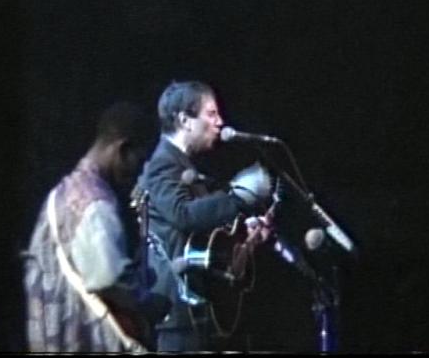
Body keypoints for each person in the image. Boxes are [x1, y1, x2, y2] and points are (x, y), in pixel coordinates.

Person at [137, 81, 273, 352]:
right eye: (211, 114)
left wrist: (246, 234)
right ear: (185, 120)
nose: (220, 122)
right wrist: (239, 196)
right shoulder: (162, 164)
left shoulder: (185, 167)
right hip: (178, 314)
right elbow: (183, 215)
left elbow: (203, 238)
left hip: (199, 308)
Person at [22, 101, 167, 353]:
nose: (139, 171)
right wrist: (152, 302)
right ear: (123, 149)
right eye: (140, 160)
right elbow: (108, 279)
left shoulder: (60, 193)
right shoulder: (95, 202)